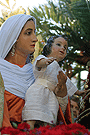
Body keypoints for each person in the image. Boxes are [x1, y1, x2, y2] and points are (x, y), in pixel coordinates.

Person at [0, 14, 68, 128]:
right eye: (28, 33)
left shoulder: (37, 74)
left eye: (34, 32)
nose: (35, 38)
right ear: (14, 37)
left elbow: (55, 115)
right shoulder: (1, 73)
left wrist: (61, 91)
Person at [22, 35, 79, 129]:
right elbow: (39, 63)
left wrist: (78, 92)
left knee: (49, 119)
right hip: (38, 91)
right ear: (49, 47)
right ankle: (28, 129)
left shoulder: (59, 69)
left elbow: (68, 84)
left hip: (52, 97)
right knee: (32, 115)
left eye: (65, 47)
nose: (62, 48)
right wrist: (45, 61)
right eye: (59, 44)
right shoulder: (42, 58)